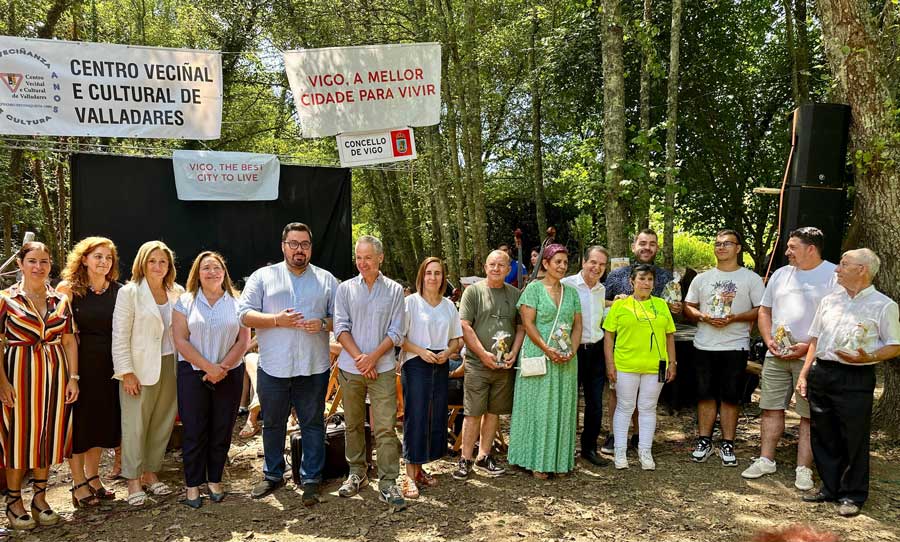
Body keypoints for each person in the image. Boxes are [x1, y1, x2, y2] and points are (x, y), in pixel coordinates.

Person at [238, 223, 338, 506]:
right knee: (272, 424)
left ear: (311, 248)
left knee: (312, 424)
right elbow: (243, 314)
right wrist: (275, 320)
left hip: (313, 366)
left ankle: (311, 479)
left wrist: (322, 324)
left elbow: (342, 318)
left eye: (304, 244)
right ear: (283, 246)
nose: (299, 250)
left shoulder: (327, 280)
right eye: (293, 244)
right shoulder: (263, 277)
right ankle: (273, 474)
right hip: (274, 366)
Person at [796, 249, 900, 517]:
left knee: (853, 436)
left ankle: (852, 494)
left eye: (844, 264)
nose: (837, 269)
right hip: (823, 372)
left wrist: (870, 357)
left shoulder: (884, 305)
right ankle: (829, 487)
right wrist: (805, 373)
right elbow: (815, 339)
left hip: (856, 376)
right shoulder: (829, 301)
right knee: (823, 432)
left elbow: (895, 345)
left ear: (862, 269)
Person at [742, 227, 836, 491]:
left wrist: (807, 347)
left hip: (812, 357)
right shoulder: (781, 274)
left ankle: (803, 468)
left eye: (793, 247)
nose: (787, 252)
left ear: (811, 249)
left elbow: (838, 319)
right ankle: (766, 459)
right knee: (770, 407)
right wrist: (768, 340)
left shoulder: (833, 275)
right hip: (777, 354)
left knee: (807, 414)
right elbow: (764, 310)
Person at [0, 242, 79, 530]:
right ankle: (13, 501)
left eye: (44, 261)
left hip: (55, 377)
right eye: (32, 261)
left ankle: (40, 498)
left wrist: (73, 378)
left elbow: (68, 340)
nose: (38, 267)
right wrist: (2, 382)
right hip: (18, 376)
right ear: (20, 264)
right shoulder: (6, 299)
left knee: (47, 434)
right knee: (18, 438)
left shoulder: (60, 299)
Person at [173, 252, 251, 508]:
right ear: (197, 273)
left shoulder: (238, 302)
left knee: (222, 429)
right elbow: (180, 340)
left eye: (216, 267)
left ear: (224, 272)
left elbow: (243, 341)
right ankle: (192, 485)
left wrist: (222, 368)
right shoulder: (185, 302)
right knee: (194, 431)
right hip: (193, 374)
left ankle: (215, 479)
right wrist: (209, 368)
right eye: (206, 268)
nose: (212, 272)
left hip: (229, 374)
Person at [334, 235, 406, 510]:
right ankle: (357, 473)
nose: (362, 263)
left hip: (383, 368)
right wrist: (360, 359)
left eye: (368, 257)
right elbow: (340, 327)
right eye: (359, 258)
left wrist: (373, 359)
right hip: (350, 368)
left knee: (385, 427)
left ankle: (388, 482)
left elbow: (396, 331)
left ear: (380, 258)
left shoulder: (395, 290)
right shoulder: (345, 289)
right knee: (353, 423)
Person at [683, 230, 764, 466]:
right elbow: (689, 306)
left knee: (730, 396)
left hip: (735, 346)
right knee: (705, 394)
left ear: (738, 248)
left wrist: (735, 317)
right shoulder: (702, 278)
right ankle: (704, 440)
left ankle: (728, 443)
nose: (721, 247)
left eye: (727, 243)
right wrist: (703, 316)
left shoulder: (751, 279)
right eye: (718, 243)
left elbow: (761, 310)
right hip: (704, 344)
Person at [112, 240, 183, 506]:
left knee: (162, 422)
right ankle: (133, 481)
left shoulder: (176, 291)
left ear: (169, 266)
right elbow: (119, 336)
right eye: (152, 261)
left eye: (163, 261)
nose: (157, 266)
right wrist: (126, 372)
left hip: (171, 364)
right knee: (135, 426)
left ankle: (151, 473)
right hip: (139, 368)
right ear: (142, 263)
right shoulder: (129, 293)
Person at [601, 228, 681, 454]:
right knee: (618, 394)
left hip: (653, 351)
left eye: (652, 244)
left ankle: (639, 437)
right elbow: (599, 300)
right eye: (643, 243)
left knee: (646, 399)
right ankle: (615, 435)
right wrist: (613, 302)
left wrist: (678, 308)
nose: (647, 248)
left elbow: (672, 317)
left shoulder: (666, 277)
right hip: (623, 347)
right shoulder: (616, 275)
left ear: (657, 248)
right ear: (634, 246)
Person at [57, 237, 123, 507]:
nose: (103, 262)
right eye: (98, 256)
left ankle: (93, 477)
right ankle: (78, 483)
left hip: (109, 366)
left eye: (108, 257)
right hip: (79, 365)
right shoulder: (68, 289)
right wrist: (72, 375)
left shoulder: (119, 290)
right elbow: (62, 333)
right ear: (84, 259)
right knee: (81, 425)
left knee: (100, 423)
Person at [508, 244, 582, 478]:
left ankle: (558, 461)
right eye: (557, 261)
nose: (562, 266)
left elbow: (577, 325)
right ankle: (535, 461)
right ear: (546, 264)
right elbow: (528, 325)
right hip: (539, 354)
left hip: (565, 358)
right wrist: (547, 349)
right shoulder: (533, 289)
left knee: (562, 407)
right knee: (538, 408)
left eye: (565, 262)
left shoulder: (571, 293)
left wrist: (572, 350)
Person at [453, 250, 525, 480]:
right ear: (485, 267)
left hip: (503, 366)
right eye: (492, 264)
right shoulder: (473, 292)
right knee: (473, 412)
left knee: (494, 412)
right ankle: (465, 458)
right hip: (477, 364)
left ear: (508, 269)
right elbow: (465, 325)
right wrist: (483, 354)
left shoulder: (514, 294)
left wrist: (514, 353)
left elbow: (521, 327)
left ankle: (484, 456)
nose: (496, 269)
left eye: (501, 265)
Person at [399, 257, 463, 498]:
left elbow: (456, 339)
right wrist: (421, 352)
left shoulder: (448, 306)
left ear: (443, 277)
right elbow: (399, 337)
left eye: (437, 273)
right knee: (416, 416)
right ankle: (408, 475)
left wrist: (447, 352)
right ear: (421, 276)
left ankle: (419, 469)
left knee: (433, 416)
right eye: (429, 273)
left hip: (440, 362)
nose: (433, 277)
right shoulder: (410, 303)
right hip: (416, 362)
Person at [561, 245, 610, 466]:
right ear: (583, 261)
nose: (597, 268)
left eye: (602, 265)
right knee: (568, 402)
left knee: (595, 404)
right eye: (593, 262)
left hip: (596, 351)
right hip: (573, 350)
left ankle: (589, 448)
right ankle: (564, 449)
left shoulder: (601, 289)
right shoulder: (567, 285)